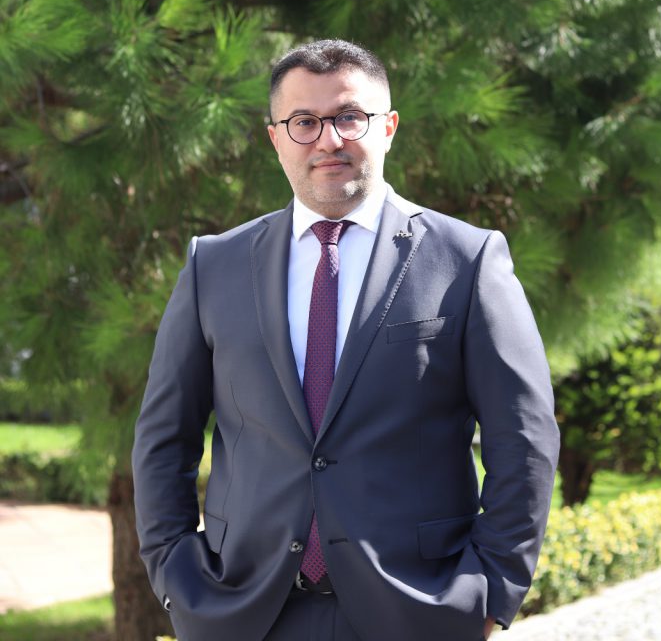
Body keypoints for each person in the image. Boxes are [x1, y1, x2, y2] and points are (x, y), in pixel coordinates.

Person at [133, 38, 559, 641]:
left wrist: (490, 591)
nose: (328, 140)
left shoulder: (467, 259)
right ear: (275, 138)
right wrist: (176, 576)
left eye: (349, 117)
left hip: (416, 611)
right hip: (243, 611)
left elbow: (524, 437)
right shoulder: (214, 265)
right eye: (303, 121)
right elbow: (163, 438)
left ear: (388, 127)